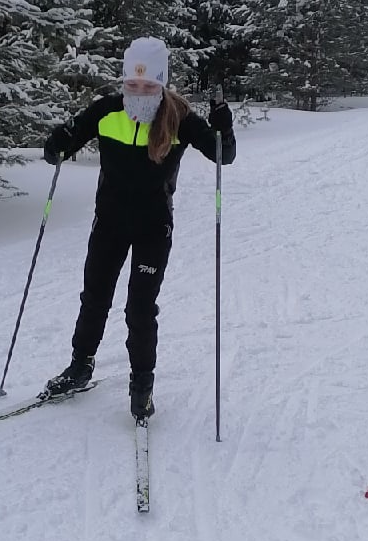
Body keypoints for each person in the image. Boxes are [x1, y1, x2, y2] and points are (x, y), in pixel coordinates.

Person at [42, 35, 236, 421]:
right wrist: (59, 140)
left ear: (161, 83)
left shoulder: (178, 118)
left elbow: (223, 155)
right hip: (109, 224)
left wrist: (222, 127)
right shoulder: (106, 111)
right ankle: (80, 366)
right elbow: (55, 152)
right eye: (132, 84)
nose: (139, 92)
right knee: (94, 298)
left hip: (153, 229)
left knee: (140, 309)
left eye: (148, 86)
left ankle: (142, 386)